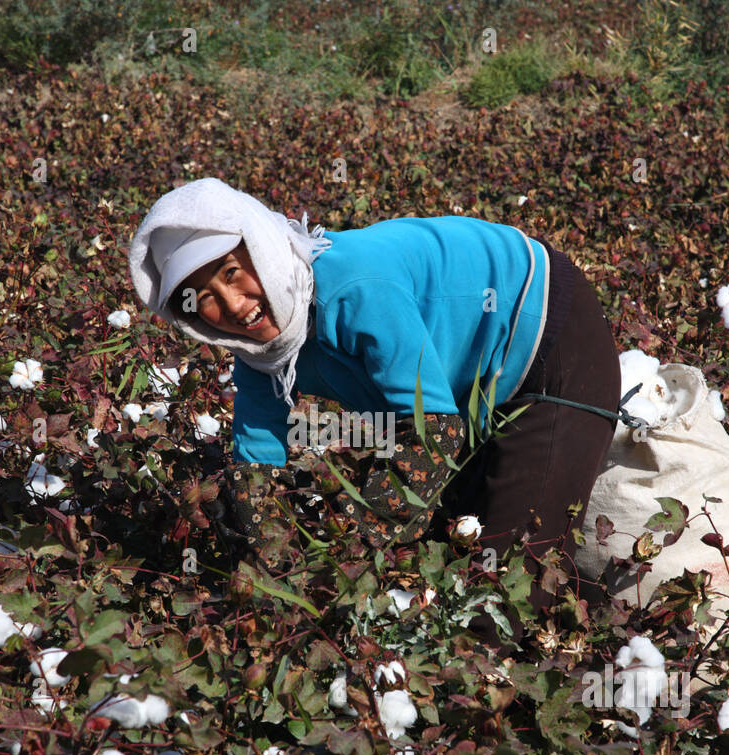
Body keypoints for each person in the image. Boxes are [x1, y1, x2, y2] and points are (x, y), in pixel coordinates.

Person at [128, 177, 623, 644]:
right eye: (205, 299)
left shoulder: (352, 286)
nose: (234, 306)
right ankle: (593, 617)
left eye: (233, 273)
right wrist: (272, 579)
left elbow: (432, 433)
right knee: (453, 552)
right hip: (467, 391)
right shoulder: (262, 357)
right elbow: (256, 469)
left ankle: (587, 665)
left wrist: (344, 558)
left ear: (259, 247)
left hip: (550, 341)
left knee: (506, 587)